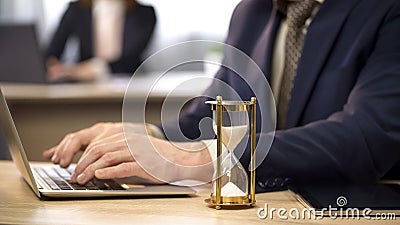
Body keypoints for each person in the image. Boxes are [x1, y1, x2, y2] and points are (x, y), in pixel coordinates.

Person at [44, 0, 400, 192]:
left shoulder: (386, 10)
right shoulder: (252, 12)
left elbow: (365, 136)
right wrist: (147, 136)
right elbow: (210, 110)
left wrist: (201, 158)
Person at [46, 0, 156, 82]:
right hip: (83, 87)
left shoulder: (145, 14)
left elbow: (129, 58)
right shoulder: (76, 10)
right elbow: (52, 53)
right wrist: (55, 67)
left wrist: (88, 70)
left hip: (130, 85)